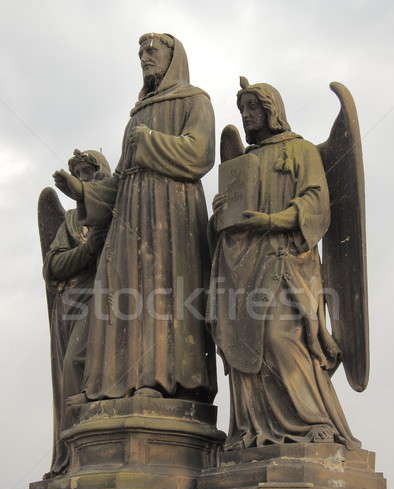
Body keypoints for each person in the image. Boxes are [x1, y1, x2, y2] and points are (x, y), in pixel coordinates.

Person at [53, 34, 217, 402]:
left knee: (163, 297)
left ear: (173, 58)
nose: (144, 58)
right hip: (131, 215)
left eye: (151, 51)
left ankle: (160, 381)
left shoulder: (195, 100)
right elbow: (121, 177)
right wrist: (82, 192)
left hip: (172, 215)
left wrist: (148, 141)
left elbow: (200, 153)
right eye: (140, 52)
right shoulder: (138, 114)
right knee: (123, 296)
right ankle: (115, 385)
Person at [208, 80, 360, 450]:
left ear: (272, 110)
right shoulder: (244, 159)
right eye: (242, 110)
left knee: (281, 339)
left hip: (285, 259)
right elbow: (222, 224)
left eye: (253, 109)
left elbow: (316, 204)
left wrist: (272, 221)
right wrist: (221, 215)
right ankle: (252, 430)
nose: (246, 116)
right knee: (244, 343)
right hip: (240, 264)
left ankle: (312, 422)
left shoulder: (302, 150)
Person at [43, 149, 111, 475]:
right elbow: (53, 266)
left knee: (93, 373)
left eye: (90, 173)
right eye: (79, 174)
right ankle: (71, 453)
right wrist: (86, 251)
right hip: (72, 305)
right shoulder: (71, 220)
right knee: (72, 371)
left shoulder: (117, 213)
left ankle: (97, 445)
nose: (84, 180)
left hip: (114, 305)